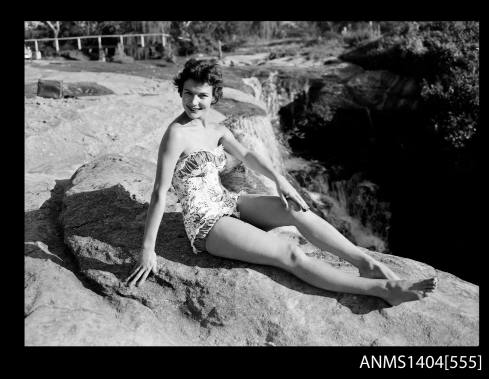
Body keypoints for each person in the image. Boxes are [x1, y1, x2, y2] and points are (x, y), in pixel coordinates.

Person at [125, 59, 437, 306]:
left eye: (202, 95)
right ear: (181, 91)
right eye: (188, 93)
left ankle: (364, 261)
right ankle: (383, 289)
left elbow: (246, 153)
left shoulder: (216, 122)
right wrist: (147, 250)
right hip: (206, 222)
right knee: (289, 254)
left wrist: (279, 180)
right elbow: (158, 193)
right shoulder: (176, 134)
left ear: (214, 96)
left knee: (297, 210)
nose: (194, 101)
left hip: (229, 201)